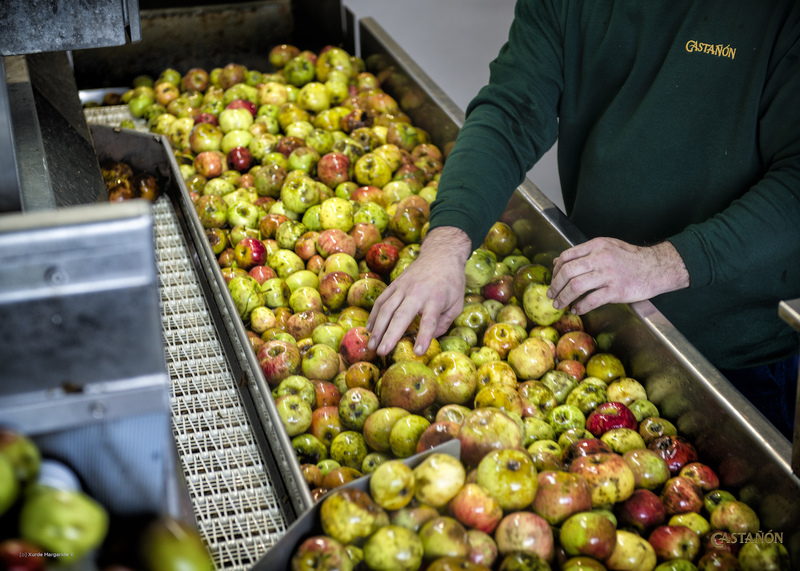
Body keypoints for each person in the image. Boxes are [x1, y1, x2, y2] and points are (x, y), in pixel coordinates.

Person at [366, 0, 800, 438]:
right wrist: (446, 245)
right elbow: (512, 110)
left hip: (733, 358)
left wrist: (662, 263)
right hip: (595, 322)